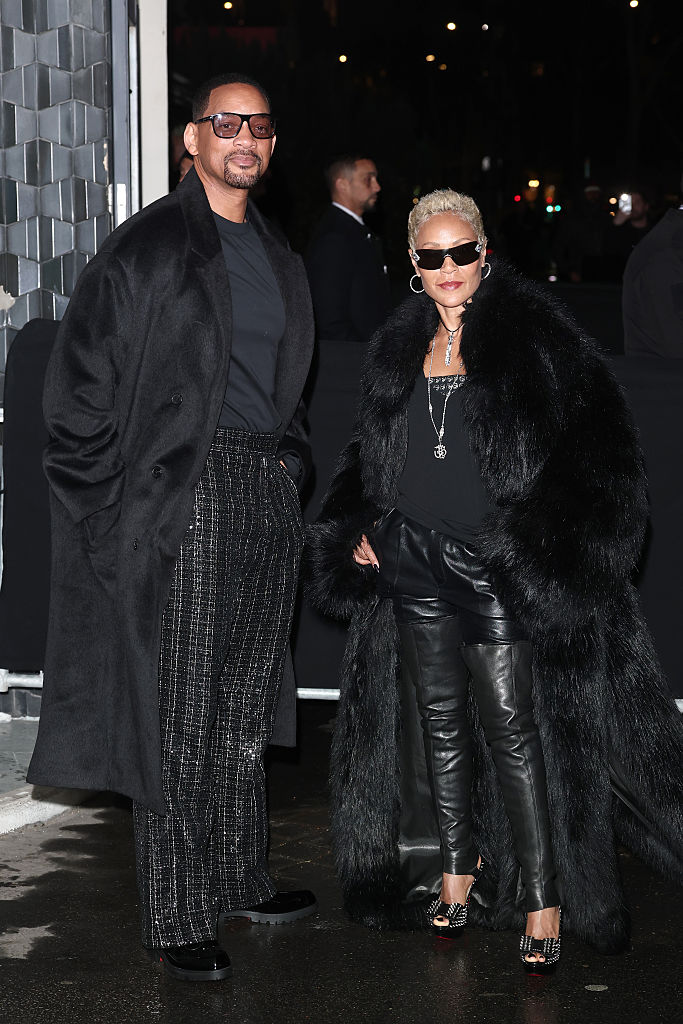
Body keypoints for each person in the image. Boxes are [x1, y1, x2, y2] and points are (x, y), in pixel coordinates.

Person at [307, 189, 683, 972]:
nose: (448, 267)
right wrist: (356, 530)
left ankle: (543, 901)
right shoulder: (396, 346)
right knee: (439, 724)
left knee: (515, 732)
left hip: (491, 563)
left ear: (484, 254)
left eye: (461, 252)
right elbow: (364, 457)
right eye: (432, 255)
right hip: (411, 557)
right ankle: (455, 875)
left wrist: (536, 549)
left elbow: (608, 459)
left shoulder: (535, 338)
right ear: (412, 264)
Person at [27, 72, 317, 982]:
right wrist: (115, 517)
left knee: (241, 709)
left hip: (263, 488)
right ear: (191, 140)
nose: (244, 138)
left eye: (259, 125)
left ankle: (236, 876)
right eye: (224, 123)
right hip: (183, 498)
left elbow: (285, 387)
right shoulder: (148, 247)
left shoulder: (278, 253)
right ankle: (177, 911)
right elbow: (75, 400)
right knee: (182, 717)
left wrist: (291, 465)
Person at [304, 155, 391, 345]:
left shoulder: (355, 230)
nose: (377, 187)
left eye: (376, 179)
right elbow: (329, 319)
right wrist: (362, 355)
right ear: (342, 185)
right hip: (353, 358)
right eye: (368, 179)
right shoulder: (334, 237)